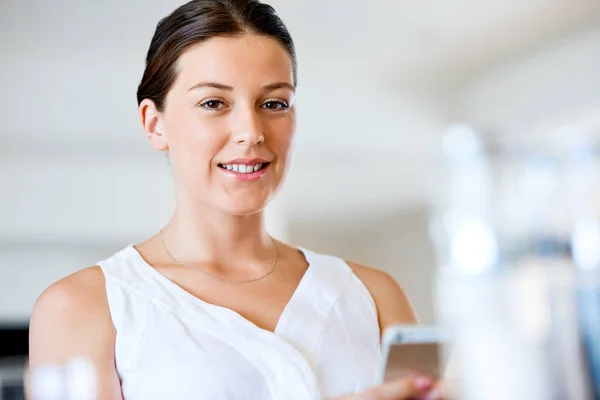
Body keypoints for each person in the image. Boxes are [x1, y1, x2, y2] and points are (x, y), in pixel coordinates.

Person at [28, 1, 448, 399]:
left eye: (274, 103)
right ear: (154, 125)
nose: (251, 131)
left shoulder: (372, 295)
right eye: (214, 103)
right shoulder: (84, 307)